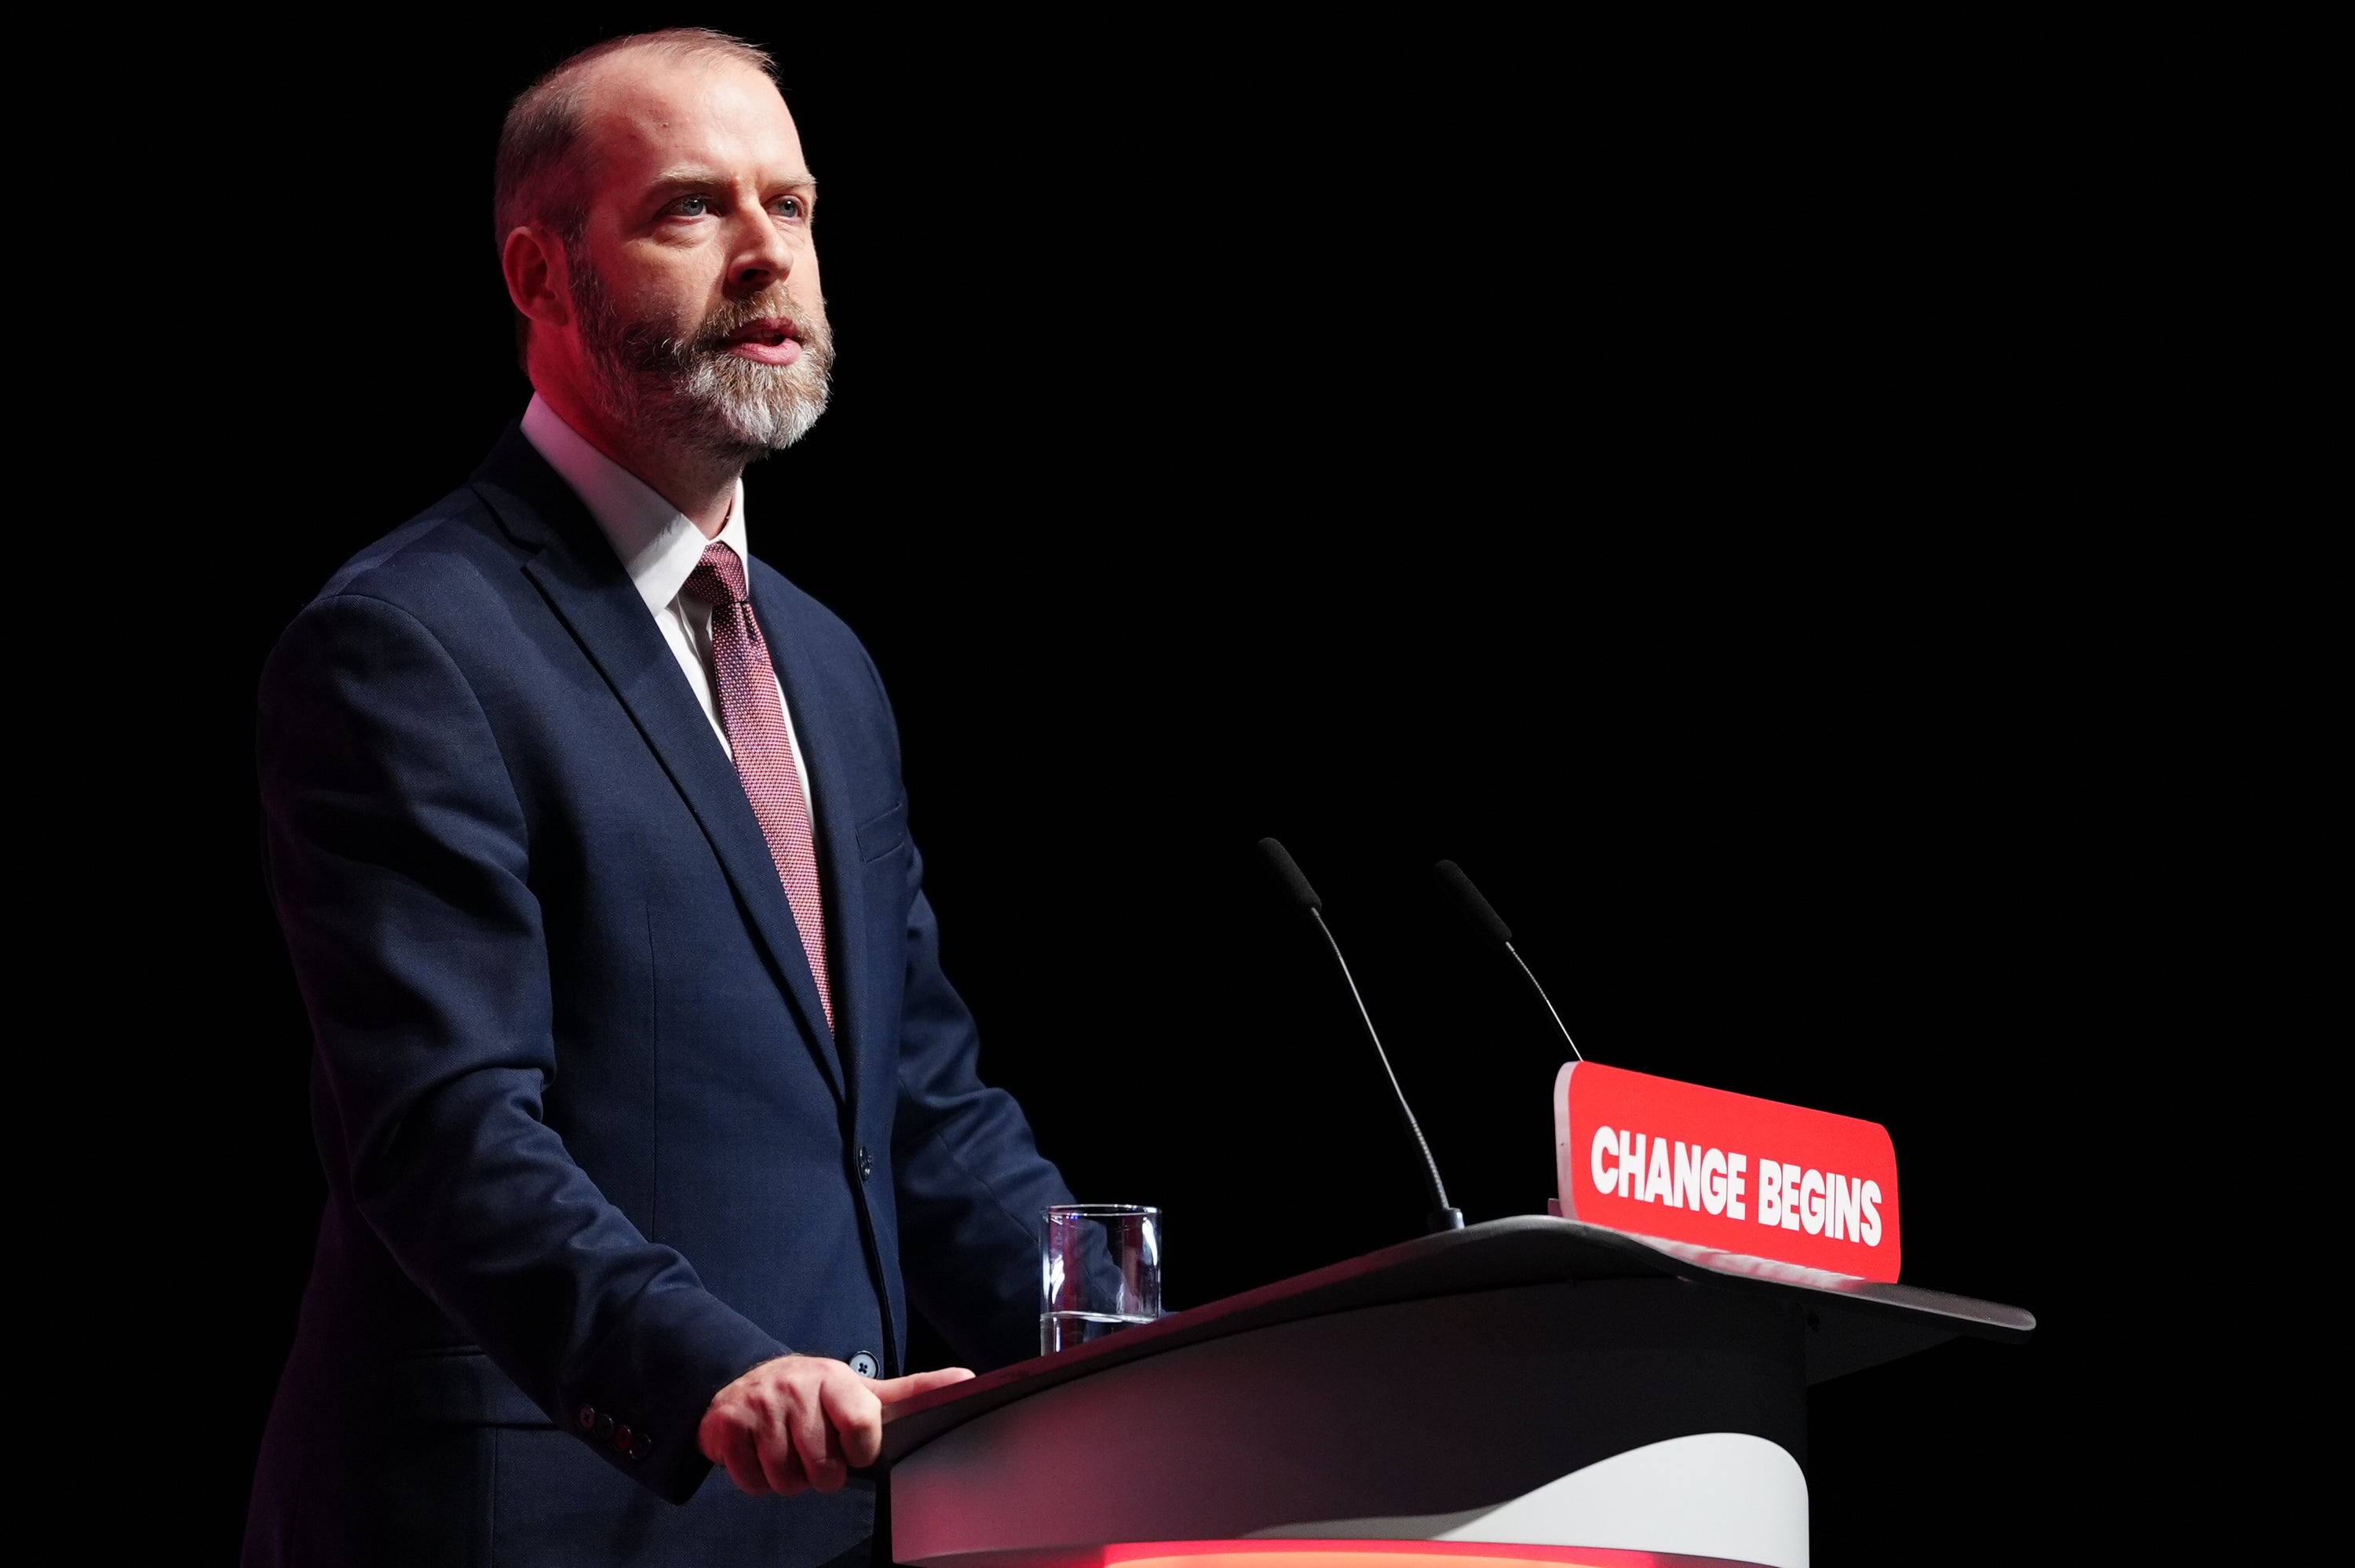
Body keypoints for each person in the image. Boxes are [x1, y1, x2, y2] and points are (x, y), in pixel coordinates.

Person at [243, 28, 1075, 1566]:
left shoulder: (824, 665)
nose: (769, 254)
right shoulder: (408, 644)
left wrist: (1127, 1329)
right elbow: (443, 1132)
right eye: (693, 209)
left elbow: (922, 1110)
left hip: (849, 1525)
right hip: (550, 1518)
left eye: (796, 206)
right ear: (540, 278)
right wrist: (708, 1372)